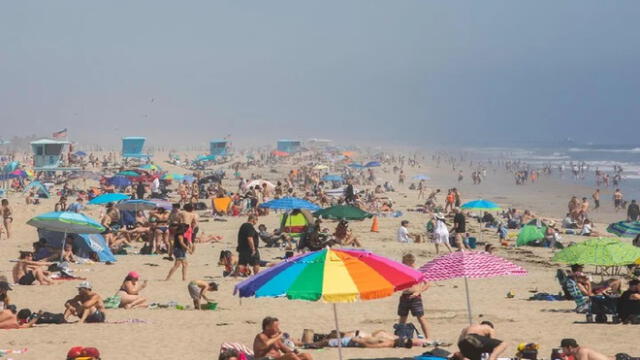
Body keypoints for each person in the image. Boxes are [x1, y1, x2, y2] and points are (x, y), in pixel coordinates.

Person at [397, 254, 431, 340]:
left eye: (404, 263)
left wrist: (418, 292)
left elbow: (428, 284)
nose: (403, 264)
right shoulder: (402, 271)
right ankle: (401, 337)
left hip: (415, 297)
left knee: (421, 318)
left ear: (411, 262)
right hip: (404, 296)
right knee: (402, 318)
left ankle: (428, 338)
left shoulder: (418, 271)